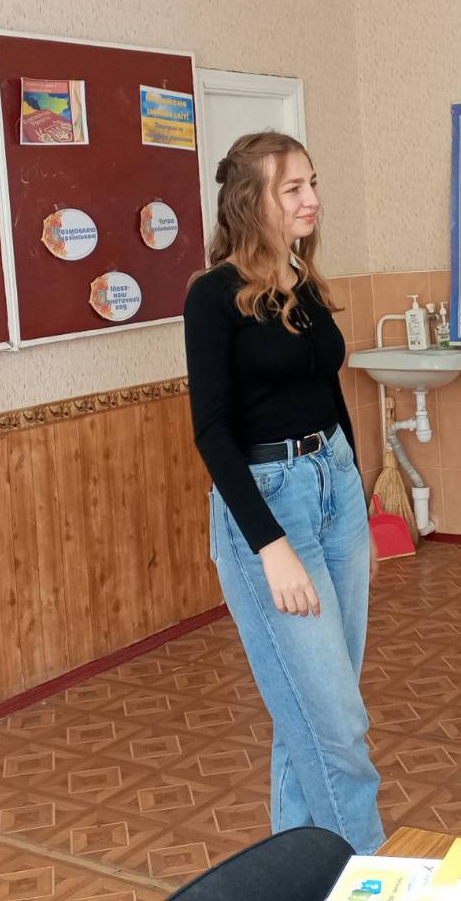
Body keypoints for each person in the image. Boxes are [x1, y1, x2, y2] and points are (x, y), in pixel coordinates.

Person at [183, 131, 385, 855]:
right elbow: (211, 430)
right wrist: (269, 545)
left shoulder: (302, 282)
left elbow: (328, 395)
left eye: (313, 182)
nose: (312, 199)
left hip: (335, 490)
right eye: (292, 187)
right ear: (251, 201)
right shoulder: (211, 297)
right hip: (271, 507)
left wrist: (359, 504)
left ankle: (298, 874)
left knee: (312, 713)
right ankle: (369, 878)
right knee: (336, 725)